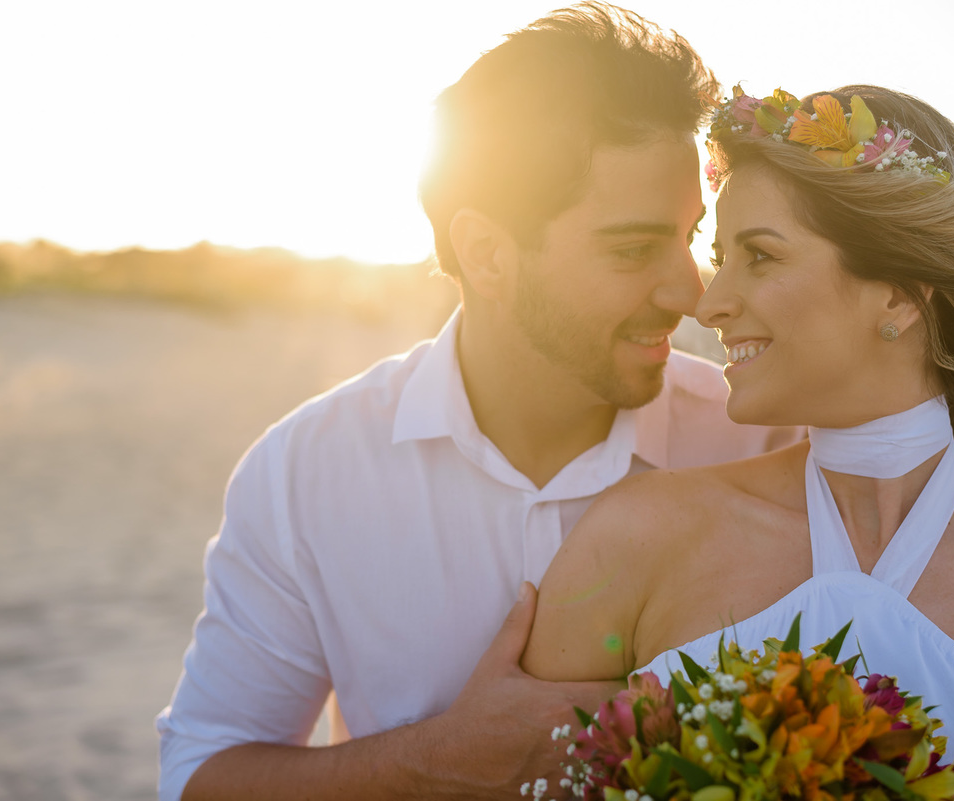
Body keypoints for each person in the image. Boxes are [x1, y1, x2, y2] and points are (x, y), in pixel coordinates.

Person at [156, 6, 803, 800]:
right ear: (489, 254)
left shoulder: (771, 445)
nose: (692, 293)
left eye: (689, 238)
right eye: (634, 249)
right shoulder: (305, 473)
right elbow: (201, 774)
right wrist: (439, 759)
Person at [523, 83, 954, 799]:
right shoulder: (634, 538)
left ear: (900, 296)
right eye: (721, 254)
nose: (710, 300)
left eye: (758, 256)